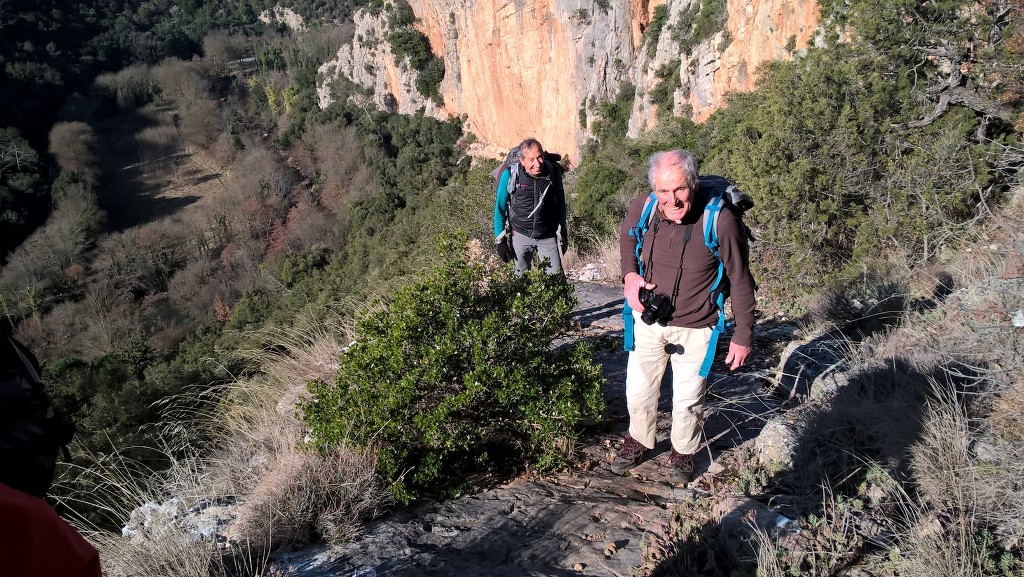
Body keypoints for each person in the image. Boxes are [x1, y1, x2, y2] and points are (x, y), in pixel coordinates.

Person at [611, 149, 756, 483]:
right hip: (648, 319)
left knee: (688, 398)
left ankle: (683, 451)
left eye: (679, 190)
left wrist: (743, 336)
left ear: (693, 182)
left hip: (698, 325)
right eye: (663, 191)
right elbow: (626, 240)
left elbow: (740, 279)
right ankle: (640, 439)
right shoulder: (643, 208)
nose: (672, 200)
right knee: (639, 390)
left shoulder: (720, 220)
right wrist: (630, 276)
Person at [493, 138, 568, 275]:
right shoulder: (510, 175)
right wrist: (500, 240)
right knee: (521, 282)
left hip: (547, 234)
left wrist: (563, 231)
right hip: (520, 234)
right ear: (522, 161)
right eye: (531, 159)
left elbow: (561, 204)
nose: (537, 164)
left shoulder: (552, 172)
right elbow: (500, 207)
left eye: (539, 157)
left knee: (556, 281)